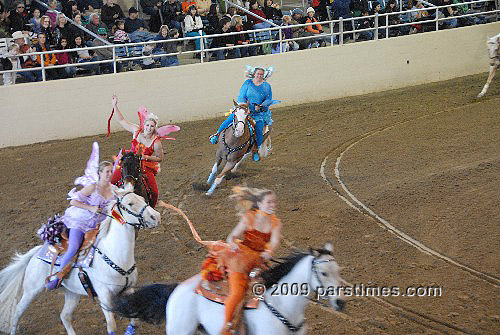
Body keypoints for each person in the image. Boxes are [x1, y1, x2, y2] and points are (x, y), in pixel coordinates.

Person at [46, 143, 115, 290]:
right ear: (100, 173)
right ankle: (58, 277)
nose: (110, 174)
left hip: (98, 224)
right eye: (107, 172)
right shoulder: (93, 187)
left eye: (111, 171)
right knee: (73, 248)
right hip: (80, 221)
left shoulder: (113, 189)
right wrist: (90, 207)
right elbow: (74, 201)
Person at [219, 186, 282, 334]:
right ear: (259, 204)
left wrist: (269, 251)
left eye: (274, 202)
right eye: (269, 202)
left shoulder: (276, 223)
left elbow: (274, 241)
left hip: (259, 261)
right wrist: (233, 244)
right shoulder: (249, 217)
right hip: (240, 260)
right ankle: (227, 327)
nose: (273, 205)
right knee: (237, 293)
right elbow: (232, 236)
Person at [209, 66, 277, 162]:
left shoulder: (267, 86)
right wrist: (244, 107)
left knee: (259, 127)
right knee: (229, 120)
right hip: (244, 109)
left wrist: (261, 106)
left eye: (261, 74)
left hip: (257, 113)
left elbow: (268, 99)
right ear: (254, 74)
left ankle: (255, 150)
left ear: (263, 75)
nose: (259, 76)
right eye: (258, 74)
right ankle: (216, 135)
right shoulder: (247, 83)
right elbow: (242, 96)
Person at [110, 95, 165, 207]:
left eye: (152, 126)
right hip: (129, 160)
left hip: (144, 164)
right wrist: (114, 105)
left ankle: (151, 209)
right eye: (148, 125)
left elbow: (160, 158)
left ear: (155, 128)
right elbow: (121, 120)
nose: (149, 128)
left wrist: (147, 157)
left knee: (154, 192)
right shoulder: (136, 130)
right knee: (111, 181)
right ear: (144, 125)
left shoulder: (156, 142)